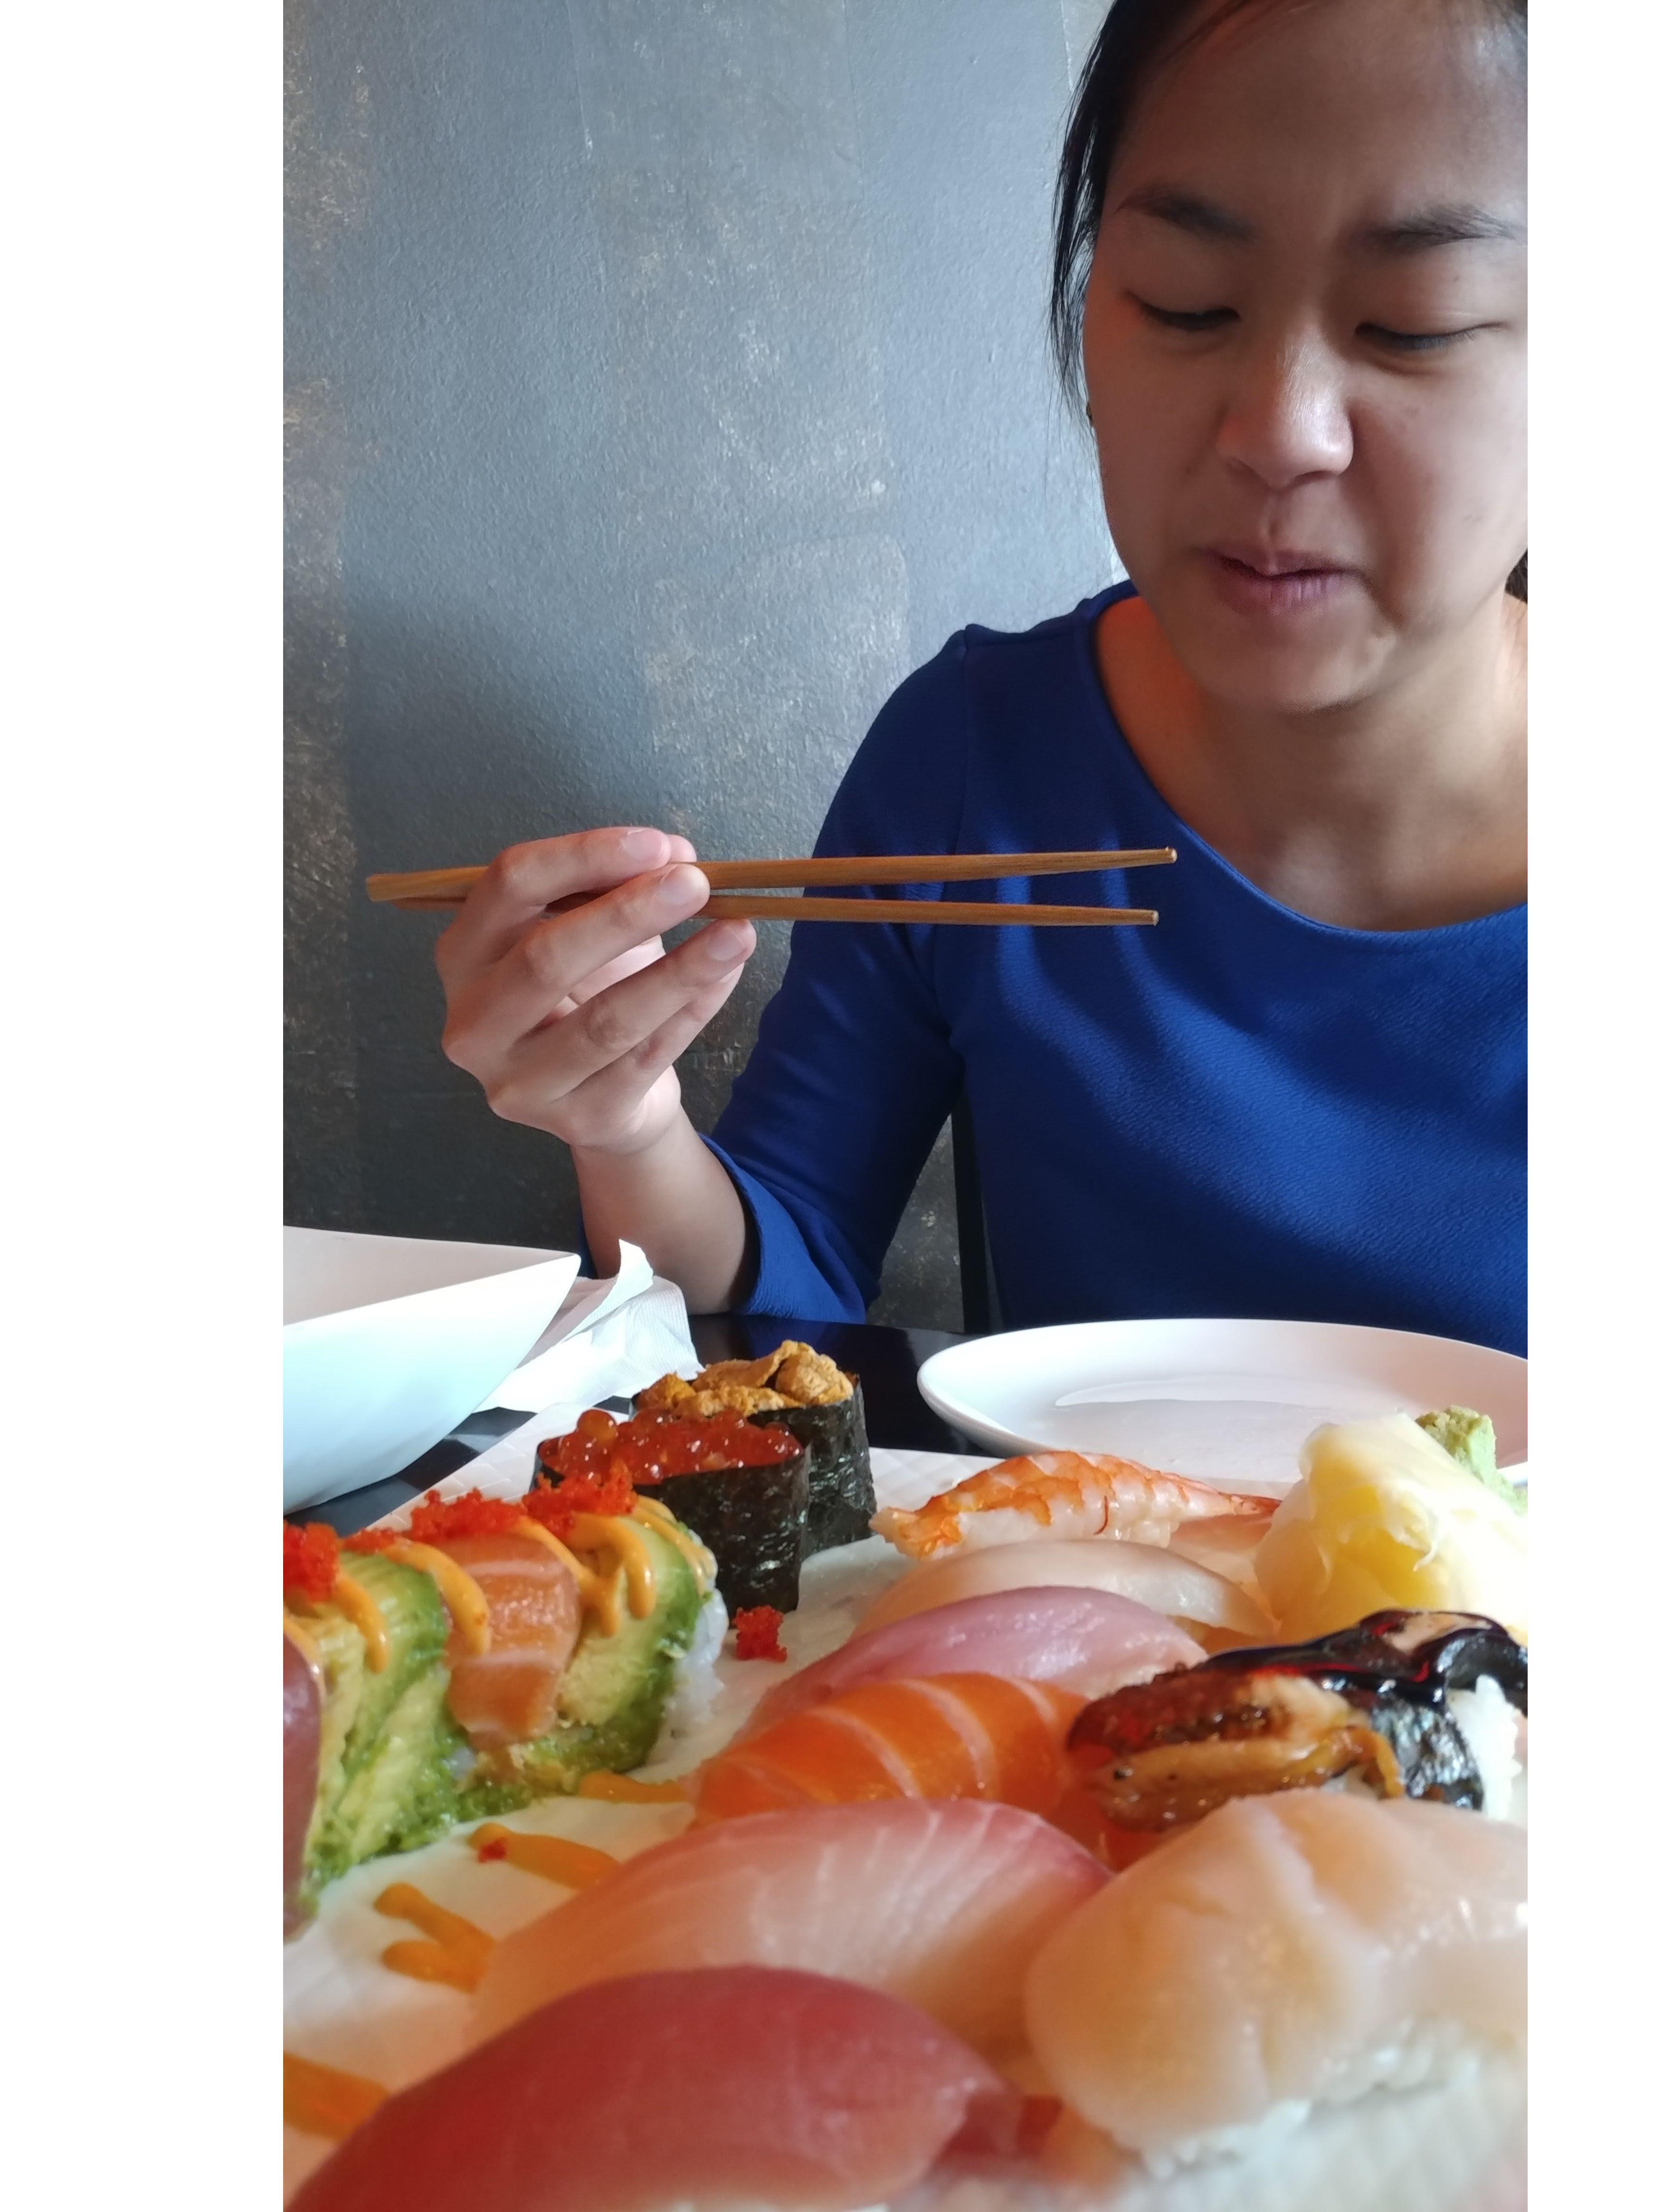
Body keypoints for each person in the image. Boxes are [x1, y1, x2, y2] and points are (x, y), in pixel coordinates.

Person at [432, 0, 1528, 1353]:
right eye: (1186, 302)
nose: (1278, 431)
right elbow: (785, 1282)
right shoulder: (978, 761)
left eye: (1416, 324)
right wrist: (624, 1124)